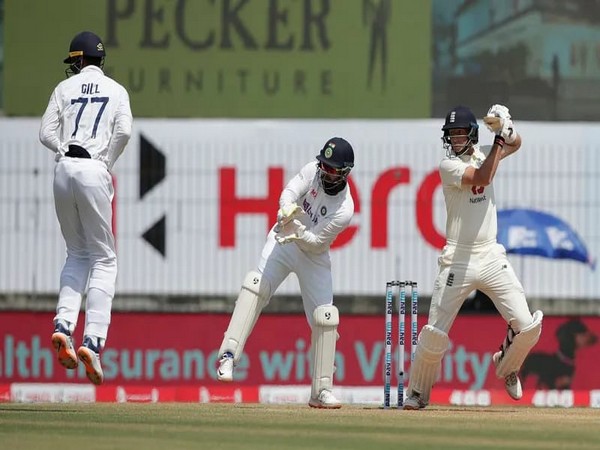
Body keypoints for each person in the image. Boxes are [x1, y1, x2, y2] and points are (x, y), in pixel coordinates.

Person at [403, 105, 543, 410]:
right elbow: (484, 176)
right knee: (434, 334)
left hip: (490, 254)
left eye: (460, 133)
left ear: (472, 134)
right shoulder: (448, 166)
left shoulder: (485, 152)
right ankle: (417, 392)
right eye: (451, 134)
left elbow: (516, 143)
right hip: (458, 259)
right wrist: (498, 142)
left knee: (529, 327)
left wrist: (507, 129)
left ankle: (506, 366)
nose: (455, 139)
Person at [216, 137, 355, 409]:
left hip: (313, 256)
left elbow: (316, 243)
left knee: (325, 318)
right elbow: (289, 192)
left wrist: (298, 231)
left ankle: (321, 390)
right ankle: (228, 356)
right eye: (324, 166)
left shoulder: (344, 209)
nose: (325, 172)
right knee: (256, 285)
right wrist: (286, 208)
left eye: (332, 170)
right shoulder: (312, 169)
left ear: (345, 172)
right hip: (282, 242)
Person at [39, 31, 133, 385]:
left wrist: (63, 148)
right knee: (104, 258)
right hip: (94, 168)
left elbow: (45, 133)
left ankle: (64, 324)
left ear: (78, 61)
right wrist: (106, 160)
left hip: (64, 170)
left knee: (76, 253)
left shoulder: (65, 90)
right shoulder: (118, 90)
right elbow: (124, 131)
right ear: (100, 60)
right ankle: (92, 341)